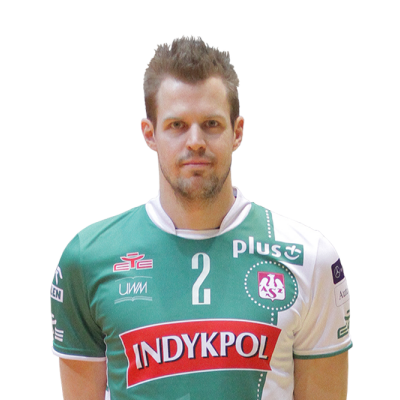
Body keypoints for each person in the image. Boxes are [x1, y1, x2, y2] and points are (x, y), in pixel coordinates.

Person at [50, 35, 353, 400]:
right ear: (149, 134)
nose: (195, 141)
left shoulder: (310, 256)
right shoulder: (87, 257)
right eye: (177, 125)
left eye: (211, 124)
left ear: (237, 132)